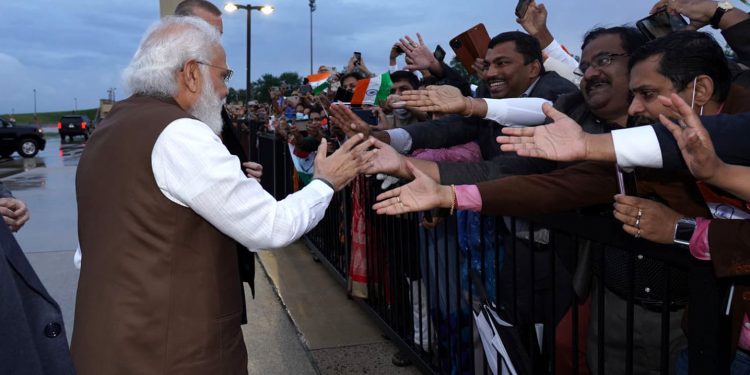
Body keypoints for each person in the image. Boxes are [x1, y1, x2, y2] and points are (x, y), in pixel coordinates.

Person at [71, 16, 375, 375]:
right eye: (223, 75)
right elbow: (270, 226)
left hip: (106, 343)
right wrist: (325, 183)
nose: (226, 89)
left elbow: (90, 250)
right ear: (191, 73)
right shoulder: (180, 133)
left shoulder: (110, 127)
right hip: (172, 353)